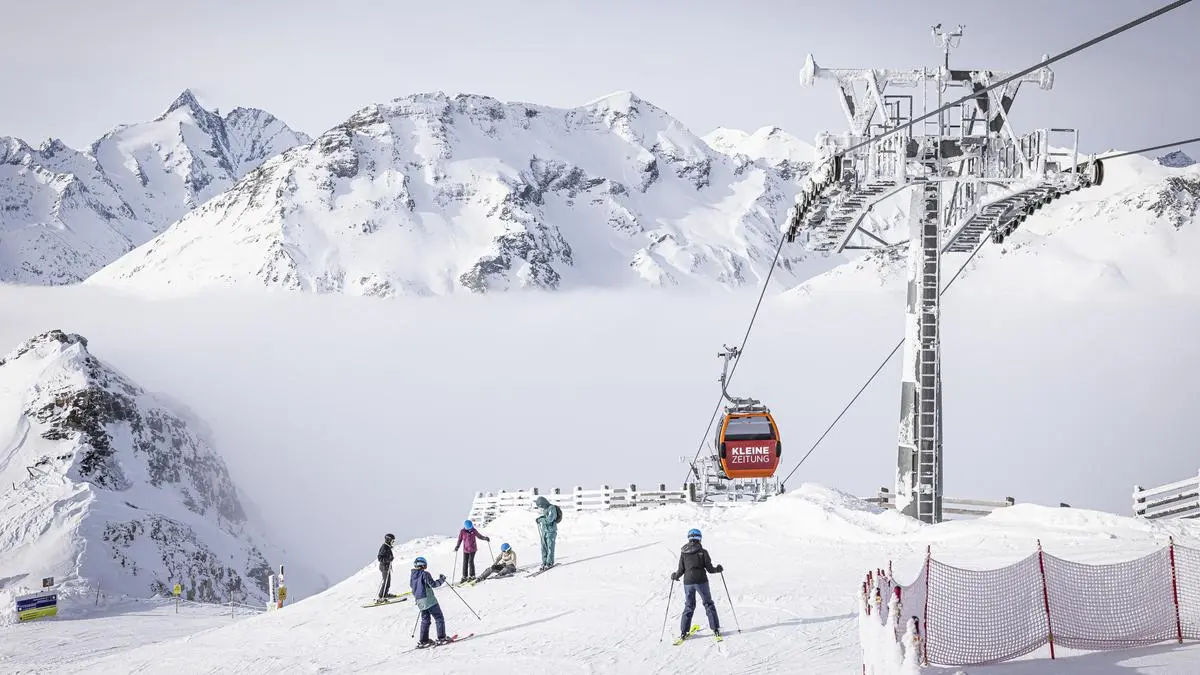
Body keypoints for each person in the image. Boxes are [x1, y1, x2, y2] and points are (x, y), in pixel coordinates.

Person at [670, 528, 723, 641]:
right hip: (701, 581)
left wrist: (676, 576)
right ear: (699, 538)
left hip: (688, 582)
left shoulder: (683, 552)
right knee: (708, 603)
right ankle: (715, 629)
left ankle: (684, 632)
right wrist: (717, 569)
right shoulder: (703, 552)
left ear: (689, 538)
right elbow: (709, 569)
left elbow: (681, 569)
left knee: (689, 605)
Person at [410, 556, 451, 647]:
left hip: (419, 601)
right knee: (438, 617)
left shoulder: (412, 575)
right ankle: (441, 638)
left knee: (425, 620)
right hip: (429, 600)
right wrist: (442, 579)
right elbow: (433, 584)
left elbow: (412, 587)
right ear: (423, 565)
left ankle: (423, 640)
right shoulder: (425, 574)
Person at [534, 496, 561, 571]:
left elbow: (550, 519)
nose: (540, 507)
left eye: (540, 505)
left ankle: (549, 562)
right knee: (543, 547)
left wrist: (541, 520)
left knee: (550, 547)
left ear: (543, 502)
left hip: (551, 531)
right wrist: (539, 519)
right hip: (544, 530)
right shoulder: (545, 509)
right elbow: (545, 517)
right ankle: (544, 561)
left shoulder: (552, 508)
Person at [376, 533, 397, 601]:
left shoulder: (387, 547)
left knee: (387, 581)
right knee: (386, 581)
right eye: (392, 541)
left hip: (386, 566)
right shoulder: (384, 547)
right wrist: (388, 559)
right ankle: (381, 596)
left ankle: (385, 594)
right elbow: (380, 558)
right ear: (388, 540)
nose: (393, 542)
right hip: (384, 566)